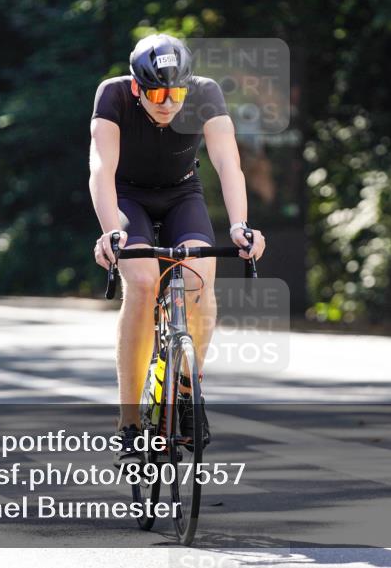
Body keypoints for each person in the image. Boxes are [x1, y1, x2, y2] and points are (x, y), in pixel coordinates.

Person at [89, 33, 266, 462]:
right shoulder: (112, 95)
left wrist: (241, 225)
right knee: (145, 281)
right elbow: (101, 169)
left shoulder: (205, 93)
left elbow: (228, 163)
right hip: (129, 198)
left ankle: (186, 391)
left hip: (182, 195)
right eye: (157, 93)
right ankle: (130, 421)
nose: (168, 102)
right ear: (137, 87)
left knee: (200, 277)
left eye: (176, 92)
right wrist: (112, 232)